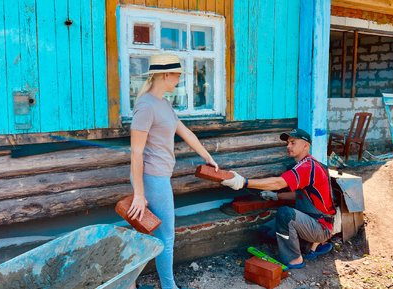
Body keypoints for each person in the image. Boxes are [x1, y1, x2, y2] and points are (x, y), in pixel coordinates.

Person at [127, 53, 218, 289]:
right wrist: (139, 194)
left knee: (146, 234)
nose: (180, 79)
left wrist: (207, 157)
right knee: (166, 236)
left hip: (157, 178)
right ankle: (169, 287)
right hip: (151, 180)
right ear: (166, 75)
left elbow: (185, 132)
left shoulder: (163, 103)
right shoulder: (146, 106)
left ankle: (129, 284)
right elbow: (136, 153)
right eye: (177, 75)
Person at [221, 128, 335, 269]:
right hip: (311, 221)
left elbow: (278, 183)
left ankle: (295, 259)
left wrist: (244, 182)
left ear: (306, 145)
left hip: (320, 226)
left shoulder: (308, 167)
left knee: (285, 214)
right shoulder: (304, 164)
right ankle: (309, 245)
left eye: (293, 142)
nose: (288, 146)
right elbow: (301, 195)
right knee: (265, 231)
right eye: (288, 143)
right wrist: (275, 196)